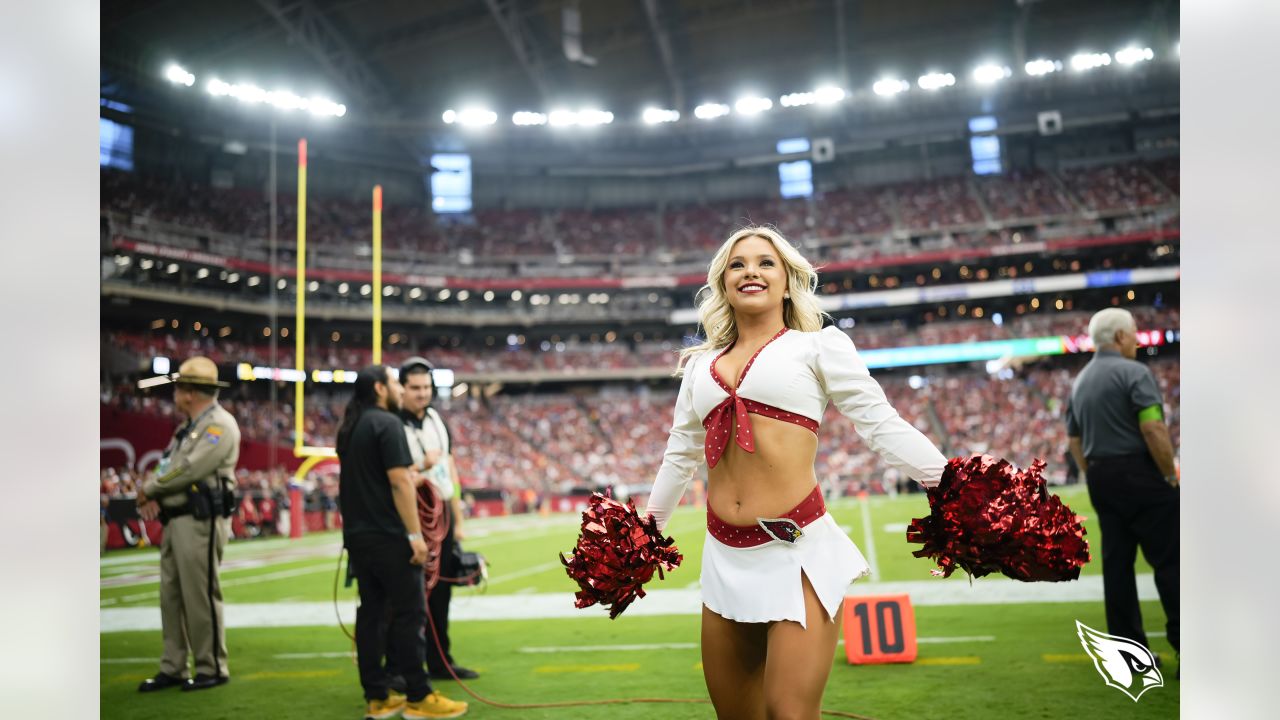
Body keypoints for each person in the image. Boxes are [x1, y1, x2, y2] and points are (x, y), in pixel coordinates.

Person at [644, 226, 948, 719]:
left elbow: (880, 425)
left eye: (766, 262)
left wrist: (952, 483)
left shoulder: (818, 347)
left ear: (787, 281)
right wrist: (645, 534)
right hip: (723, 559)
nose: (751, 271)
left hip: (798, 553)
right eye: (737, 264)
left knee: (789, 712)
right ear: (723, 283)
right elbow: (680, 454)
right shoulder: (700, 366)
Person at [337, 365, 468, 720]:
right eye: (395, 383)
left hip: (359, 536)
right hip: (390, 535)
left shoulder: (350, 427)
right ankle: (418, 696)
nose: (399, 389)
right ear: (381, 388)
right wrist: (414, 535)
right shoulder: (387, 423)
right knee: (411, 613)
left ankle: (377, 697)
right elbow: (399, 482)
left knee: (371, 614)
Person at [1066, 307, 1179, 670]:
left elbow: (1074, 441)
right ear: (1119, 337)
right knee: (1171, 562)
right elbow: (1153, 429)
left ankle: (1130, 657)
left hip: (1101, 476)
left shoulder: (1080, 381)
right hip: (1140, 474)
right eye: (1133, 333)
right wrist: (1170, 474)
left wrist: (1094, 472)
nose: (1136, 339)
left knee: (1118, 567)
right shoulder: (1135, 373)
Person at [135, 357, 239, 692]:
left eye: (179, 387)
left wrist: (149, 489)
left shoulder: (218, 425)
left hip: (200, 521)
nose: (175, 394)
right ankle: (174, 665)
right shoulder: (189, 427)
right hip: (176, 519)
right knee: (172, 596)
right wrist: (155, 494)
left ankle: (211, 667)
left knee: (200, 594)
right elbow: (170, 467)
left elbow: (190, 469)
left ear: (191, 392)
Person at [398, 357, 479, 681]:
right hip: (410, 511)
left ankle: (440, 660)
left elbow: (450, 472)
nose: (421, 394)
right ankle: (403, 666)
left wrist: (457, 519)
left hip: (440, 512)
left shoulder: (437, 421)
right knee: (407, 593)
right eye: (414, 388)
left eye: (426, 387)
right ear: (401, 389)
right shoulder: (393, 423)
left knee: (442, 588)